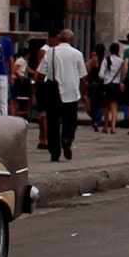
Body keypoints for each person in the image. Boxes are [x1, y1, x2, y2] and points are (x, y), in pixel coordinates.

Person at [41, 28, 86, 162]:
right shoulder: (77, 54)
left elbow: (40, 74)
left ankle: (54, 151)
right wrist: (85, 95)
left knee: (53, 122)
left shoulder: (50, 52)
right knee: (70, 120)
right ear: (72, 40)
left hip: (54, 92)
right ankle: (67, 138)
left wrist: (40, 88)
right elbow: (83, 77)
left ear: (60, 39)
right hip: (71, 92)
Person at [101, 41, 125, 134]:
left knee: (106, 107)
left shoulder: (106, 60)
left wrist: (106, 78)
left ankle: (106, 127)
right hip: (116, 85)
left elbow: (100, 74)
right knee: (114, 107)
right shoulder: (121, 61)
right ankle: (113, 127)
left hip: (107, 85)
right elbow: (123, 73)